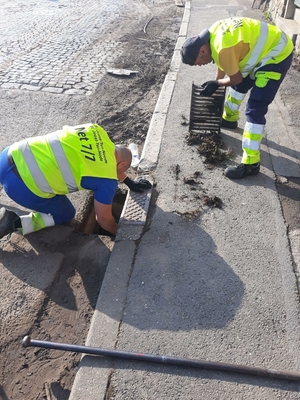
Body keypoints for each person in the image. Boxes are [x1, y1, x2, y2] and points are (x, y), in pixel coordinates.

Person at [181, 17, 294, 179]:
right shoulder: (213, 34)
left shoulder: (222, 48)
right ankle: (229, 119)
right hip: (262, 50)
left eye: (196, 62)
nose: (198, 65)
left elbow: (235, 78)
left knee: (255, 107)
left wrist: (218, 83)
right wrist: (216, 82)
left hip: (277, 54)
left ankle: (251, 163)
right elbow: (223, 64)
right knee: (237, 85)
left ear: (202, 51)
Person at [0, 123, 151, 239]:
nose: (121, 174)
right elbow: (103, 219)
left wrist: (127, 181)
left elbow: (104, 162)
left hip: (10, 155)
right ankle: (13, 223)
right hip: (20, 186)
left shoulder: (95, 129)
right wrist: (118, 232)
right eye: (123, 171)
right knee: (66, 213)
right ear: (122, 165)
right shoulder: (107, 182)